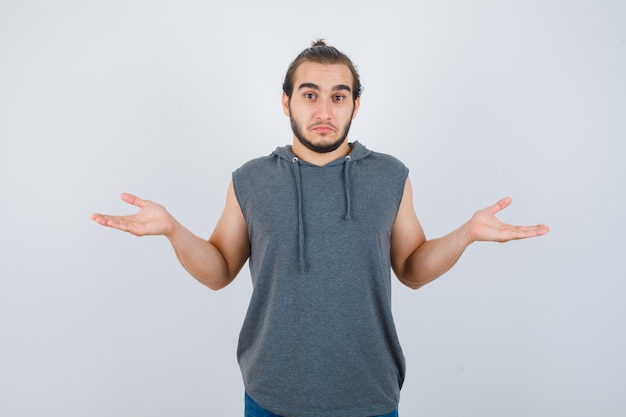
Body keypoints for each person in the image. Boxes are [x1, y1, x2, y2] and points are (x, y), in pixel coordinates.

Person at [92, 39, 550, 417]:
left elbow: (411, 269)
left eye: (339, 96)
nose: (325, 110)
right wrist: (173, 229)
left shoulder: (390, 176)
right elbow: (219, 271)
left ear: (355, 103)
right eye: (310, 94)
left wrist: (467, 233)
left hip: (369, 395)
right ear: (287, 101)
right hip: (271, 396)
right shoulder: (250, 179)